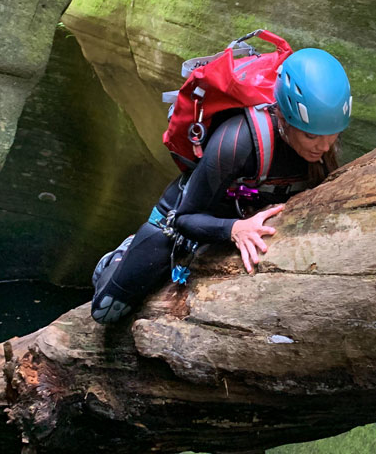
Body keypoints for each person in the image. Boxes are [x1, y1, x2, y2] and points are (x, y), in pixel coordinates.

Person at [91, 47, 352, 323]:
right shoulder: (237, 141)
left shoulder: (322, 139)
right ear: (285, 116)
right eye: (311, 136)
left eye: (332, 135)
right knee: (106, 312)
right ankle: (119, 256)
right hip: (185, 222)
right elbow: (184, 218)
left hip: (242, 217)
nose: (323, 147)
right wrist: (235, 229)